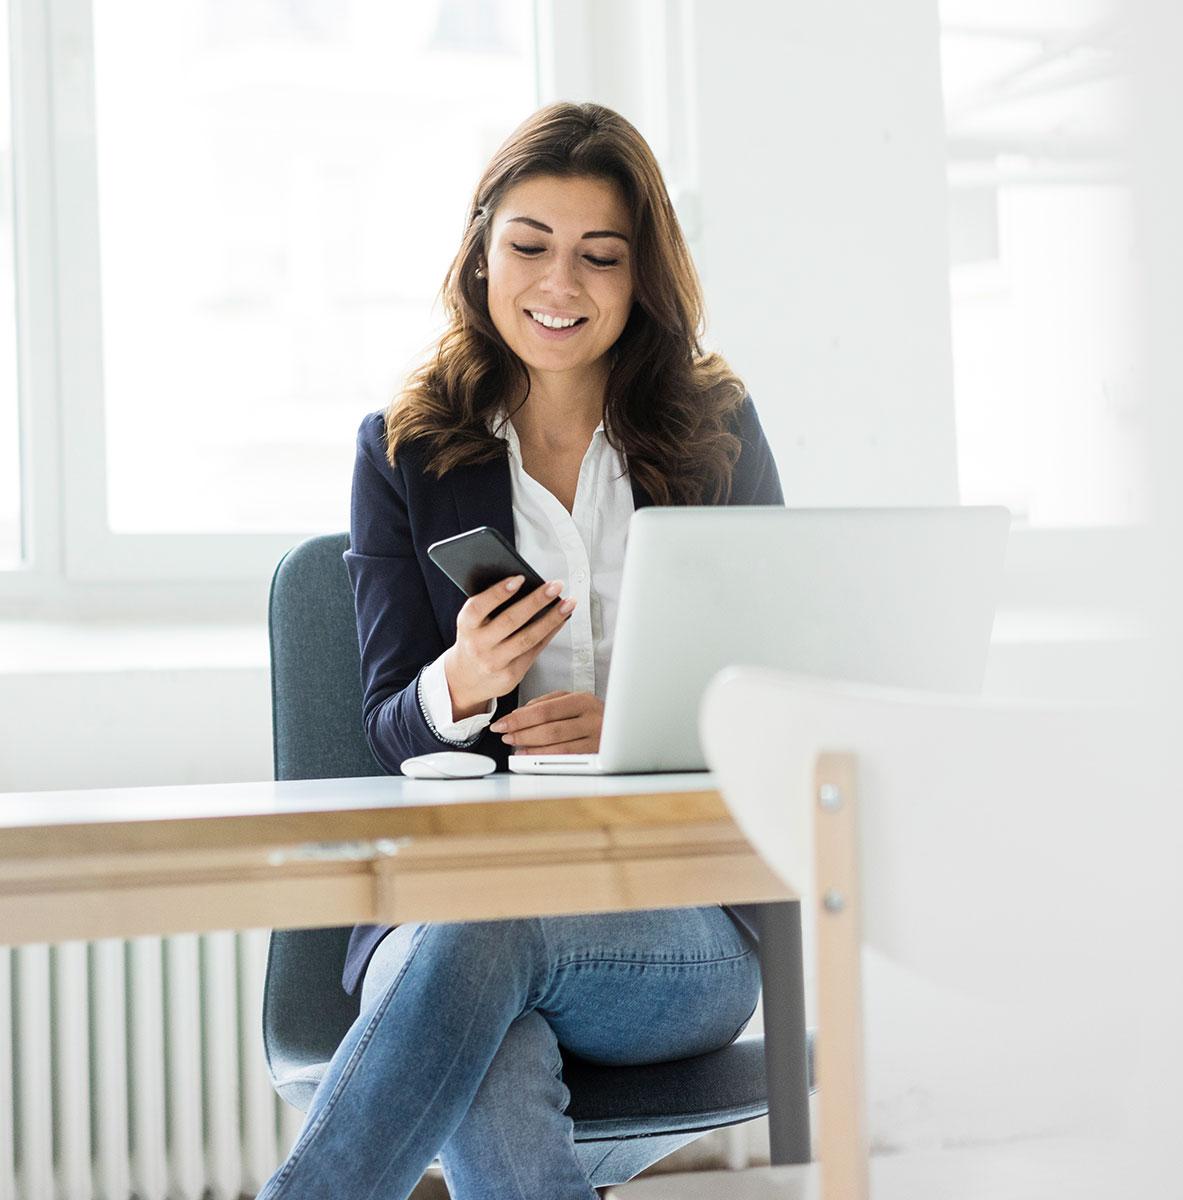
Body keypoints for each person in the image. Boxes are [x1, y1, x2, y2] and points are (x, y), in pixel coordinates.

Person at [257, 101, 784, 1200]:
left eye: (600, 256)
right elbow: (388, 727)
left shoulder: (716, 427)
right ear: (482, 250)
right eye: (530, 247)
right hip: (450, 903)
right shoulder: (406, 447)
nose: (559, 285)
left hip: (679, 919)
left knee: (486, 940)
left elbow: (780, 690)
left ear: (642, 278)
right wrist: (461, 680)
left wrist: (642, 725)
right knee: (488, 1033)